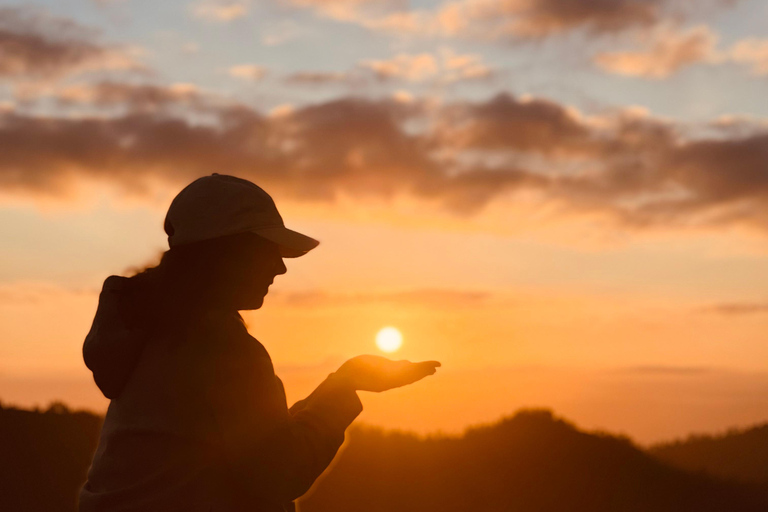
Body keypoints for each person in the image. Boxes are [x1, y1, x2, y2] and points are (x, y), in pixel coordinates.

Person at [78, 174, 440, 512]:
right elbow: (280, 472)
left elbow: (257, 443)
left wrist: (339, 385)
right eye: (268, 250)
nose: (280, 268)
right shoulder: (218, 349)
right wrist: (345, 386)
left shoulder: (148, 331)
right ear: (227, 254)